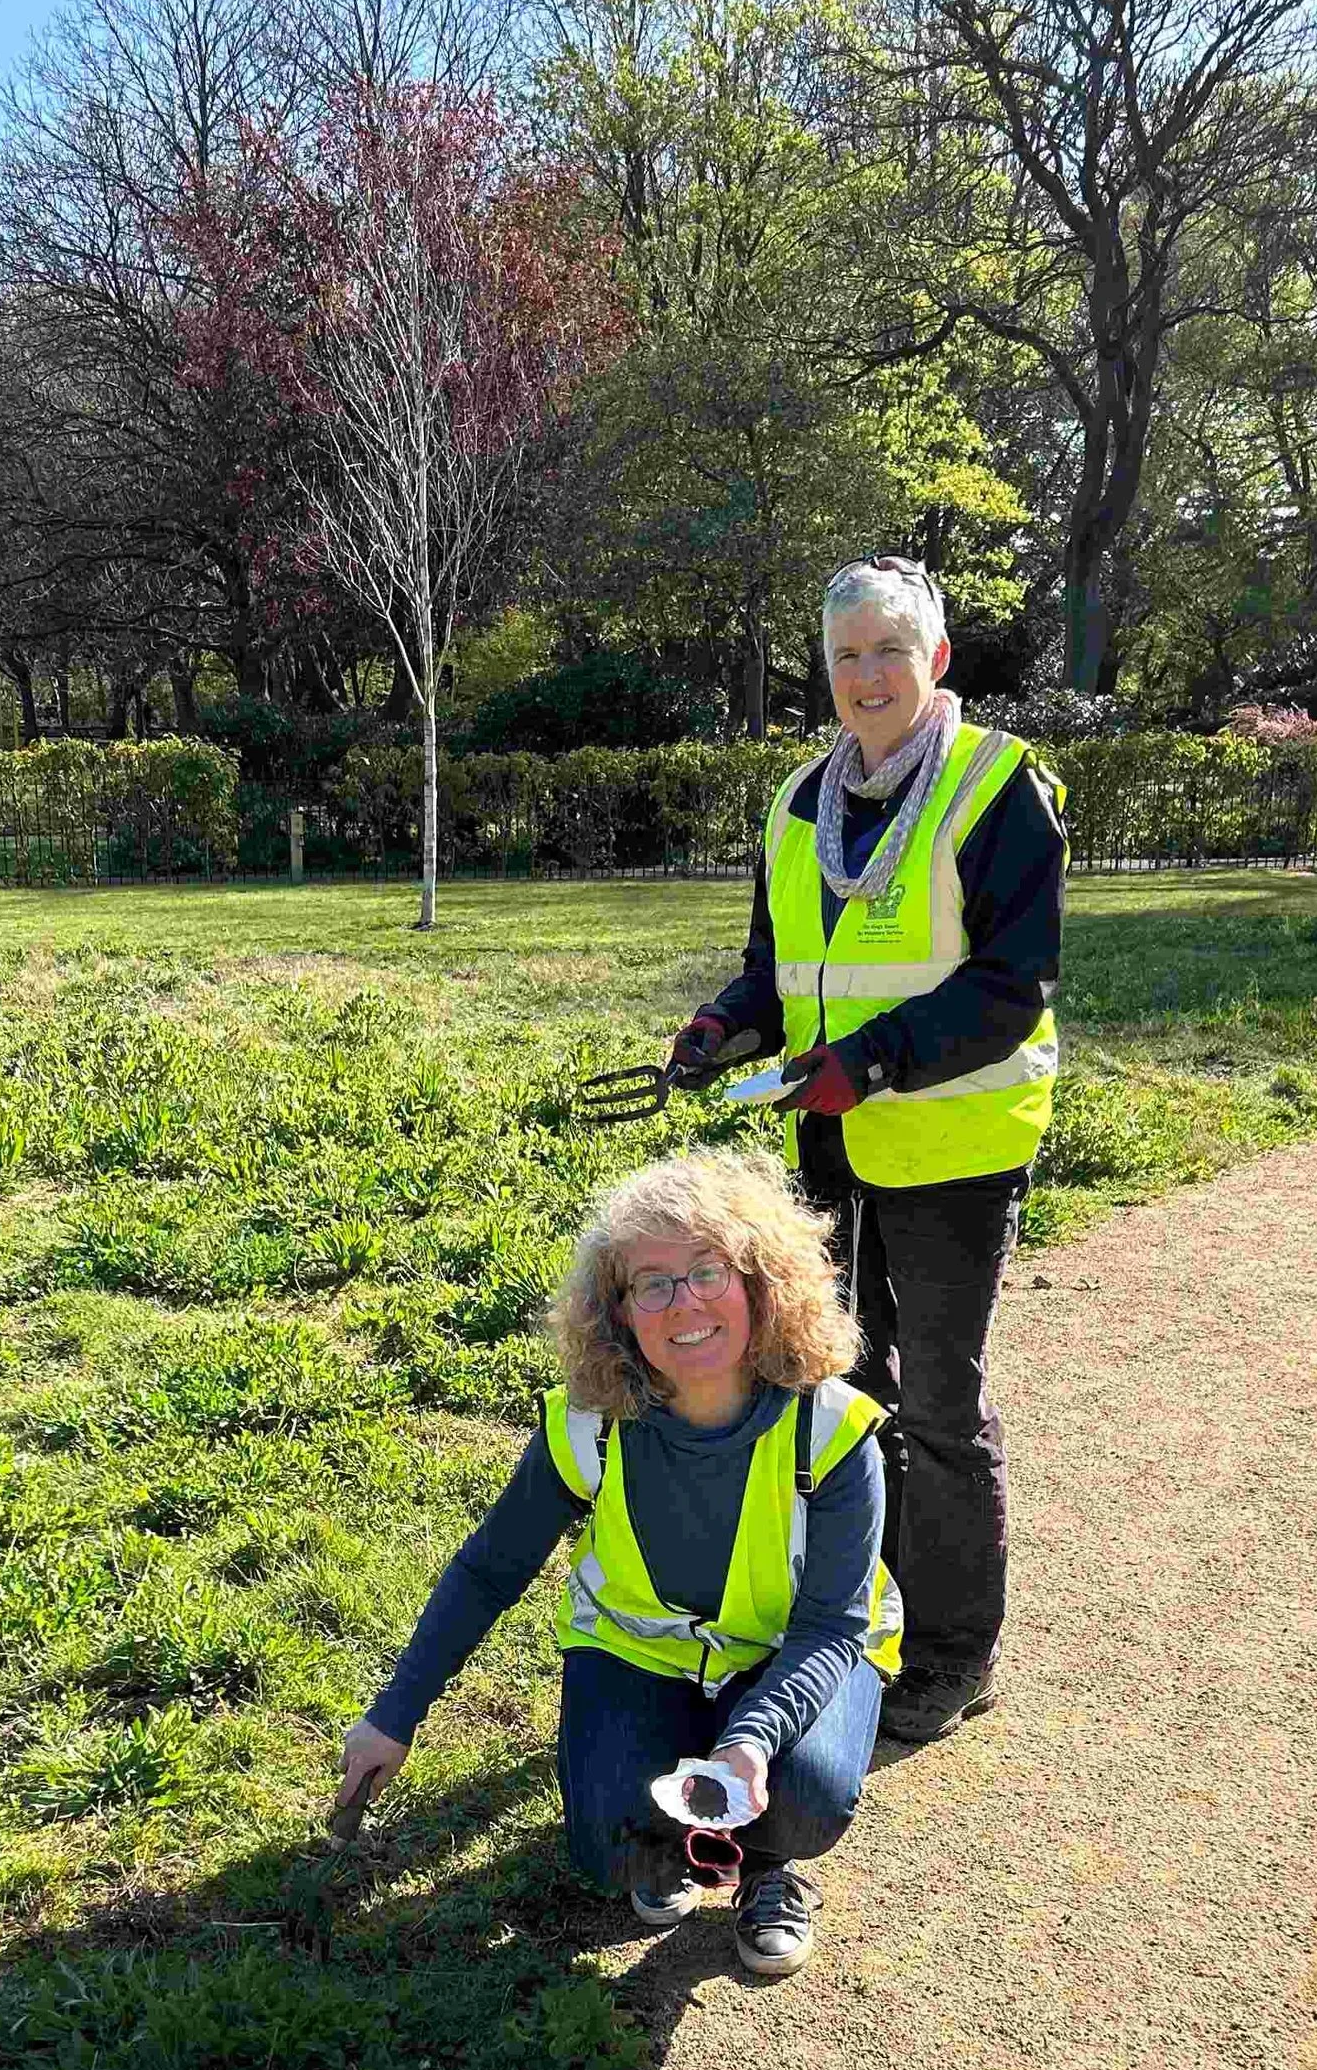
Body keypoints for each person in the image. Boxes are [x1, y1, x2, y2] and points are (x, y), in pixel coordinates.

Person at [666, 557, 1064, 1746]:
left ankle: (950, 1654)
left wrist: (873, 1062)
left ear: (935, 659)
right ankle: (859, 1623)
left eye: (889, 649)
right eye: (845, 656)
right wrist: (725, 1025)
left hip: (952, 1142)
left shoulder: (999, 786)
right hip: (831, 1148)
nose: (866, 675)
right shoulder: (800, 801)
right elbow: (778, 968)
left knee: (939, 1405)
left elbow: (1010, 985)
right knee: (842, 1393)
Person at [337, 1151, 901, 1981]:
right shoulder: (588, 1424)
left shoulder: (833, 1429)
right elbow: (491, 1568)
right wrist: (396, 1711)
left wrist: (749, 1743)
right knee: (607, 1852)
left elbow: (827, 1628)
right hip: (639, 1653)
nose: (686, 1302)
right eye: (653, 1283)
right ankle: (670, 1839)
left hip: (796, 1656)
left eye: (710, 1270)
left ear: (761, 1284)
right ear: (620, 1312)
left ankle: (770, 1869)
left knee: (805, 1791)